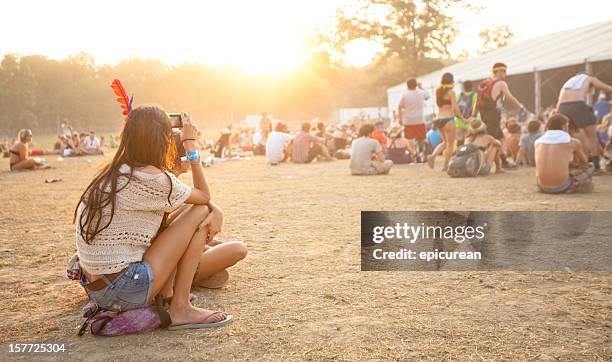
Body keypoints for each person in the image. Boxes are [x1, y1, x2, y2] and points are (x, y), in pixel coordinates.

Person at [72, 106, 232, 329]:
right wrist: (191, 145)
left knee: (195, 210)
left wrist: (214, 209)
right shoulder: (152, 178)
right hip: (123, 289)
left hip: (97, 287)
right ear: (163, 140)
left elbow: (189, 203)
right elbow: (203, 197)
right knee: (200, 211)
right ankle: (181, 308)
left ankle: (168, 294)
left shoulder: (116, 171)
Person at [167, 133, 247, 290]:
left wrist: (214, 208)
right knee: (238, 248)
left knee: (216, 242)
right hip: (171, 267)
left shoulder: (166, 181)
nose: (194, 157)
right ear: (183, 157)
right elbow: (203, 199)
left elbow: (197, 201)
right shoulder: (167, 184)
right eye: (192, 153)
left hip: (165, 258)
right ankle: (189, 278)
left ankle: (203, 265)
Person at [557, 73, 612, 174]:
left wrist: (557, 114)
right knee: (592, 136)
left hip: (562, 107)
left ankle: (573, 163)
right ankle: (596, 167)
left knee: (569, 136)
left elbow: (559, 101)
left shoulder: (569, 81)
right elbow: (607, 89)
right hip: (578, 105)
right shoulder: (589, 78)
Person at [475, 62, 525, 169]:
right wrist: (520, 106)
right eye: (504, 71)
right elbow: (509, 97)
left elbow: (478, 100)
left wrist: (473, 114)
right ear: (499, 71)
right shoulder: (501, 83)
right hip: (493, 114)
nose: (505, 74)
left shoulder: (483, 83)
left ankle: (502, 162)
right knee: (491, 140)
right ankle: (482, 163)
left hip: (483, 113)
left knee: (501, 138)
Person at [534, 114, 593, 194]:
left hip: (541, 186)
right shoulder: (573, 142)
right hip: (562, 186)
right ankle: (581, 186)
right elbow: (584, 163)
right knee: (590, 166)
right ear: (564, 127)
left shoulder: (538, 142)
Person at [427, 73, 467, 171]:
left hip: (439, 119)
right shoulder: (451, 92)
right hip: (448, 119)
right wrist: (462, 118)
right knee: (450, 144)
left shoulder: (438, 91)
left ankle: (433, 156)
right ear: (451, 81)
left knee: (445, 142)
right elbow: (455, 108)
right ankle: (445, 166)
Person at [397, 78, 429, 162]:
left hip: (408, 120)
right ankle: (420, 153)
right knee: (421, 138)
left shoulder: (404, 94)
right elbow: (428, 97)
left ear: (407, 85)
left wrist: (400, 118)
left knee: (409, 138)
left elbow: (400, 107)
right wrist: (421, 87)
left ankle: (413, 154)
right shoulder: (421, 92)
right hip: (419, 119)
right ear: (416, 85)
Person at [455, 80, 478, 146]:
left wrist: (462, 119)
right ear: (472, 86)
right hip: (470, 122)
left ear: (463, 87)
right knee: (469, 140)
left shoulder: (458, 95)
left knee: (459, 141)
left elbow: (455, 108)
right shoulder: (475, 95)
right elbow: (475, 108)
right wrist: (470, 119)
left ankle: (459, 154)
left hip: (459, 121)